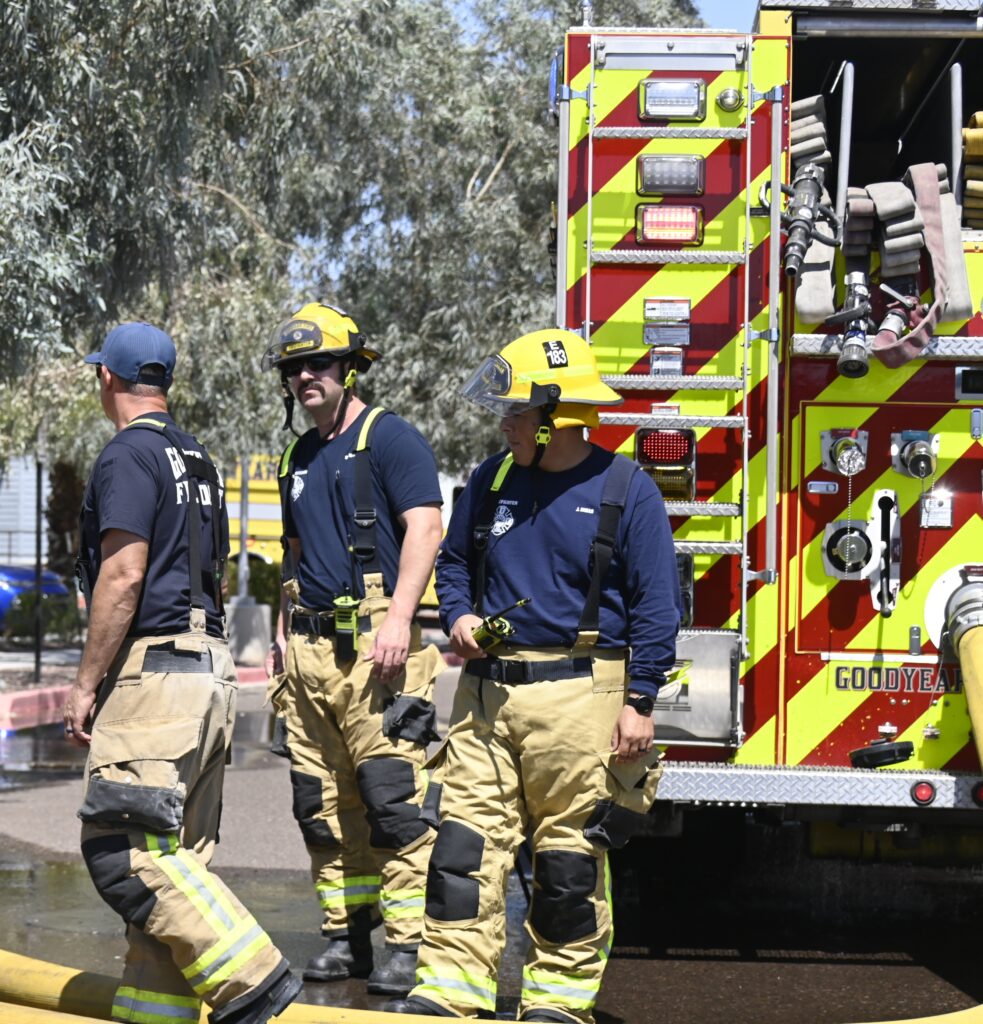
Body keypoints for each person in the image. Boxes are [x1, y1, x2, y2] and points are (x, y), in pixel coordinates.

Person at [388, 328, 682, 1023]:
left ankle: (556, 1002)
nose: (504, 424)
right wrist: (458, 614)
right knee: (461, 851)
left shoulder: (625, 490)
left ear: (558, 415)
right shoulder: (490, 480)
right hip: (486, 698)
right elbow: (453, 564)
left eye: (515, 411)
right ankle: (451, 991)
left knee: (568, 864)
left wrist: (640, 701)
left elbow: (656, 607)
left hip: (582, 698)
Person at [63, 322, 301, 1024]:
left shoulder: (126, 455)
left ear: (107, 377)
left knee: (121, 851)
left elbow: (123, 575)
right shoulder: (196, 458)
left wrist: (85, 684)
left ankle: (254, 982)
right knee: (174, 863)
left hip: (156, 676)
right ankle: (156, 1013)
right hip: (208, 670)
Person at [263, 302, 444, 997]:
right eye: (294, 368)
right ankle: (347, 936)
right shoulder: (297, 455)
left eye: (318, 364)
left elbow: (425, 529)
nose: (305, 377)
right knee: (320, 804)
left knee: (391, 799)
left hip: (376, 649)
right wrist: (281, 634)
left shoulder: (389, 438)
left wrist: (399, 618)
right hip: (308, 654)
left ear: (350, 367)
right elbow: (295, 552)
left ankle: (406, 943)